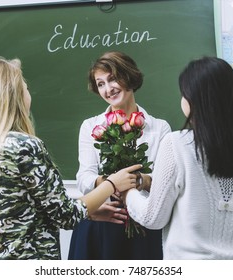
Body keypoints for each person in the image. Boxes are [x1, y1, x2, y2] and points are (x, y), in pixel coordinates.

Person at [0, 56, 141, 260]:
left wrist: (90, 212)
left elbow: (37, 207)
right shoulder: (25, 146)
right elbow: (66, 215)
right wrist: (111, 183)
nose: (28, 92)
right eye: (25, 87)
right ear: (15, 95)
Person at [123, 56, 233, 259]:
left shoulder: (178, 144)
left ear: (196, 99)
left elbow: (152, 217)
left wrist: (128, 193)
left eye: (184, 94)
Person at [68, 51, 171, 260]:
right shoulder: (90, 126)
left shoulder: (160, 128)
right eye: (101, 84)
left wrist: (138, 181)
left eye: (113, 78)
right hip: (102, 222)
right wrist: (109, 183)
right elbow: (83, 178)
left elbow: (164, 182)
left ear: (129, 76)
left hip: (144, 224)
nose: (108, 89)